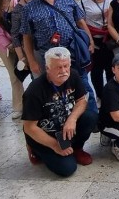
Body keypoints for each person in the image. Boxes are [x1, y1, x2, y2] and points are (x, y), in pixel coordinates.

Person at [21, 0, 98, 117]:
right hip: (48, 56)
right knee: (54, 89)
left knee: (84, 84)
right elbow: (27, 37)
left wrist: (90, 41)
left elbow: (81, 21)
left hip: (73, 52)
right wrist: (31, 61)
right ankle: (62, 118)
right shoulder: (29, 8)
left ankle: (93, 118)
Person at [22, 46, 96, 176]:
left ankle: (77, 148)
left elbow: (82, 100)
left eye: (66, 66)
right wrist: (55, 145)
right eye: (58, 67)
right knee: (67, 169)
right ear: (47, 68)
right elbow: (29, 127)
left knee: (90, 116)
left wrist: (72, 119)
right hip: (46, 134)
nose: (64, 71)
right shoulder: (34, 90)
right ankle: (36, 149)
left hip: (66, 128)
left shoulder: (72, 75)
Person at [79, 0, 115, 100]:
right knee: (96, 70)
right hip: (94, 39)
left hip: (110, 39)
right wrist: (89, 41)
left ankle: (111, 95)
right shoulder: (83, 2)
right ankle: (99, 95)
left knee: (111, 68)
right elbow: (81, 22)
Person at [10, 0, 36, 89]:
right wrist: (21, 57)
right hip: (30, 49)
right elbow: (15, 35)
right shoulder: (18, 9)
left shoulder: (44, 1)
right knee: (36, 78)